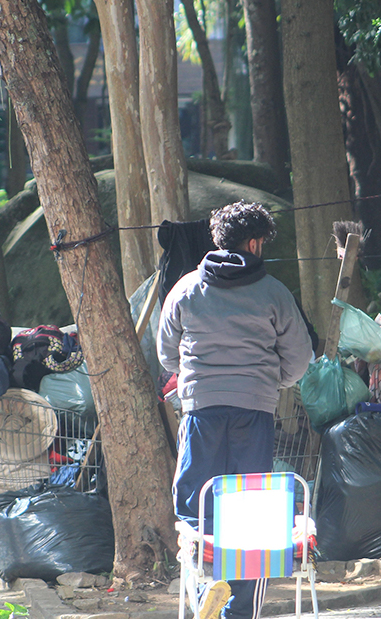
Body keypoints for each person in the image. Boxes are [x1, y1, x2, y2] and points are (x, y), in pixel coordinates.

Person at [157, 200, 314, 619]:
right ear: (254, 242)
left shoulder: (186, 289)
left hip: (201, 411)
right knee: (250, 512)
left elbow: (166, 355)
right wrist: (268, 384)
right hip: (255, 410)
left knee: (194, 506)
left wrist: (197, 380)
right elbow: (300, 358)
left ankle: (206, 585)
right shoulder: (274, 292)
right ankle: (239, 609)